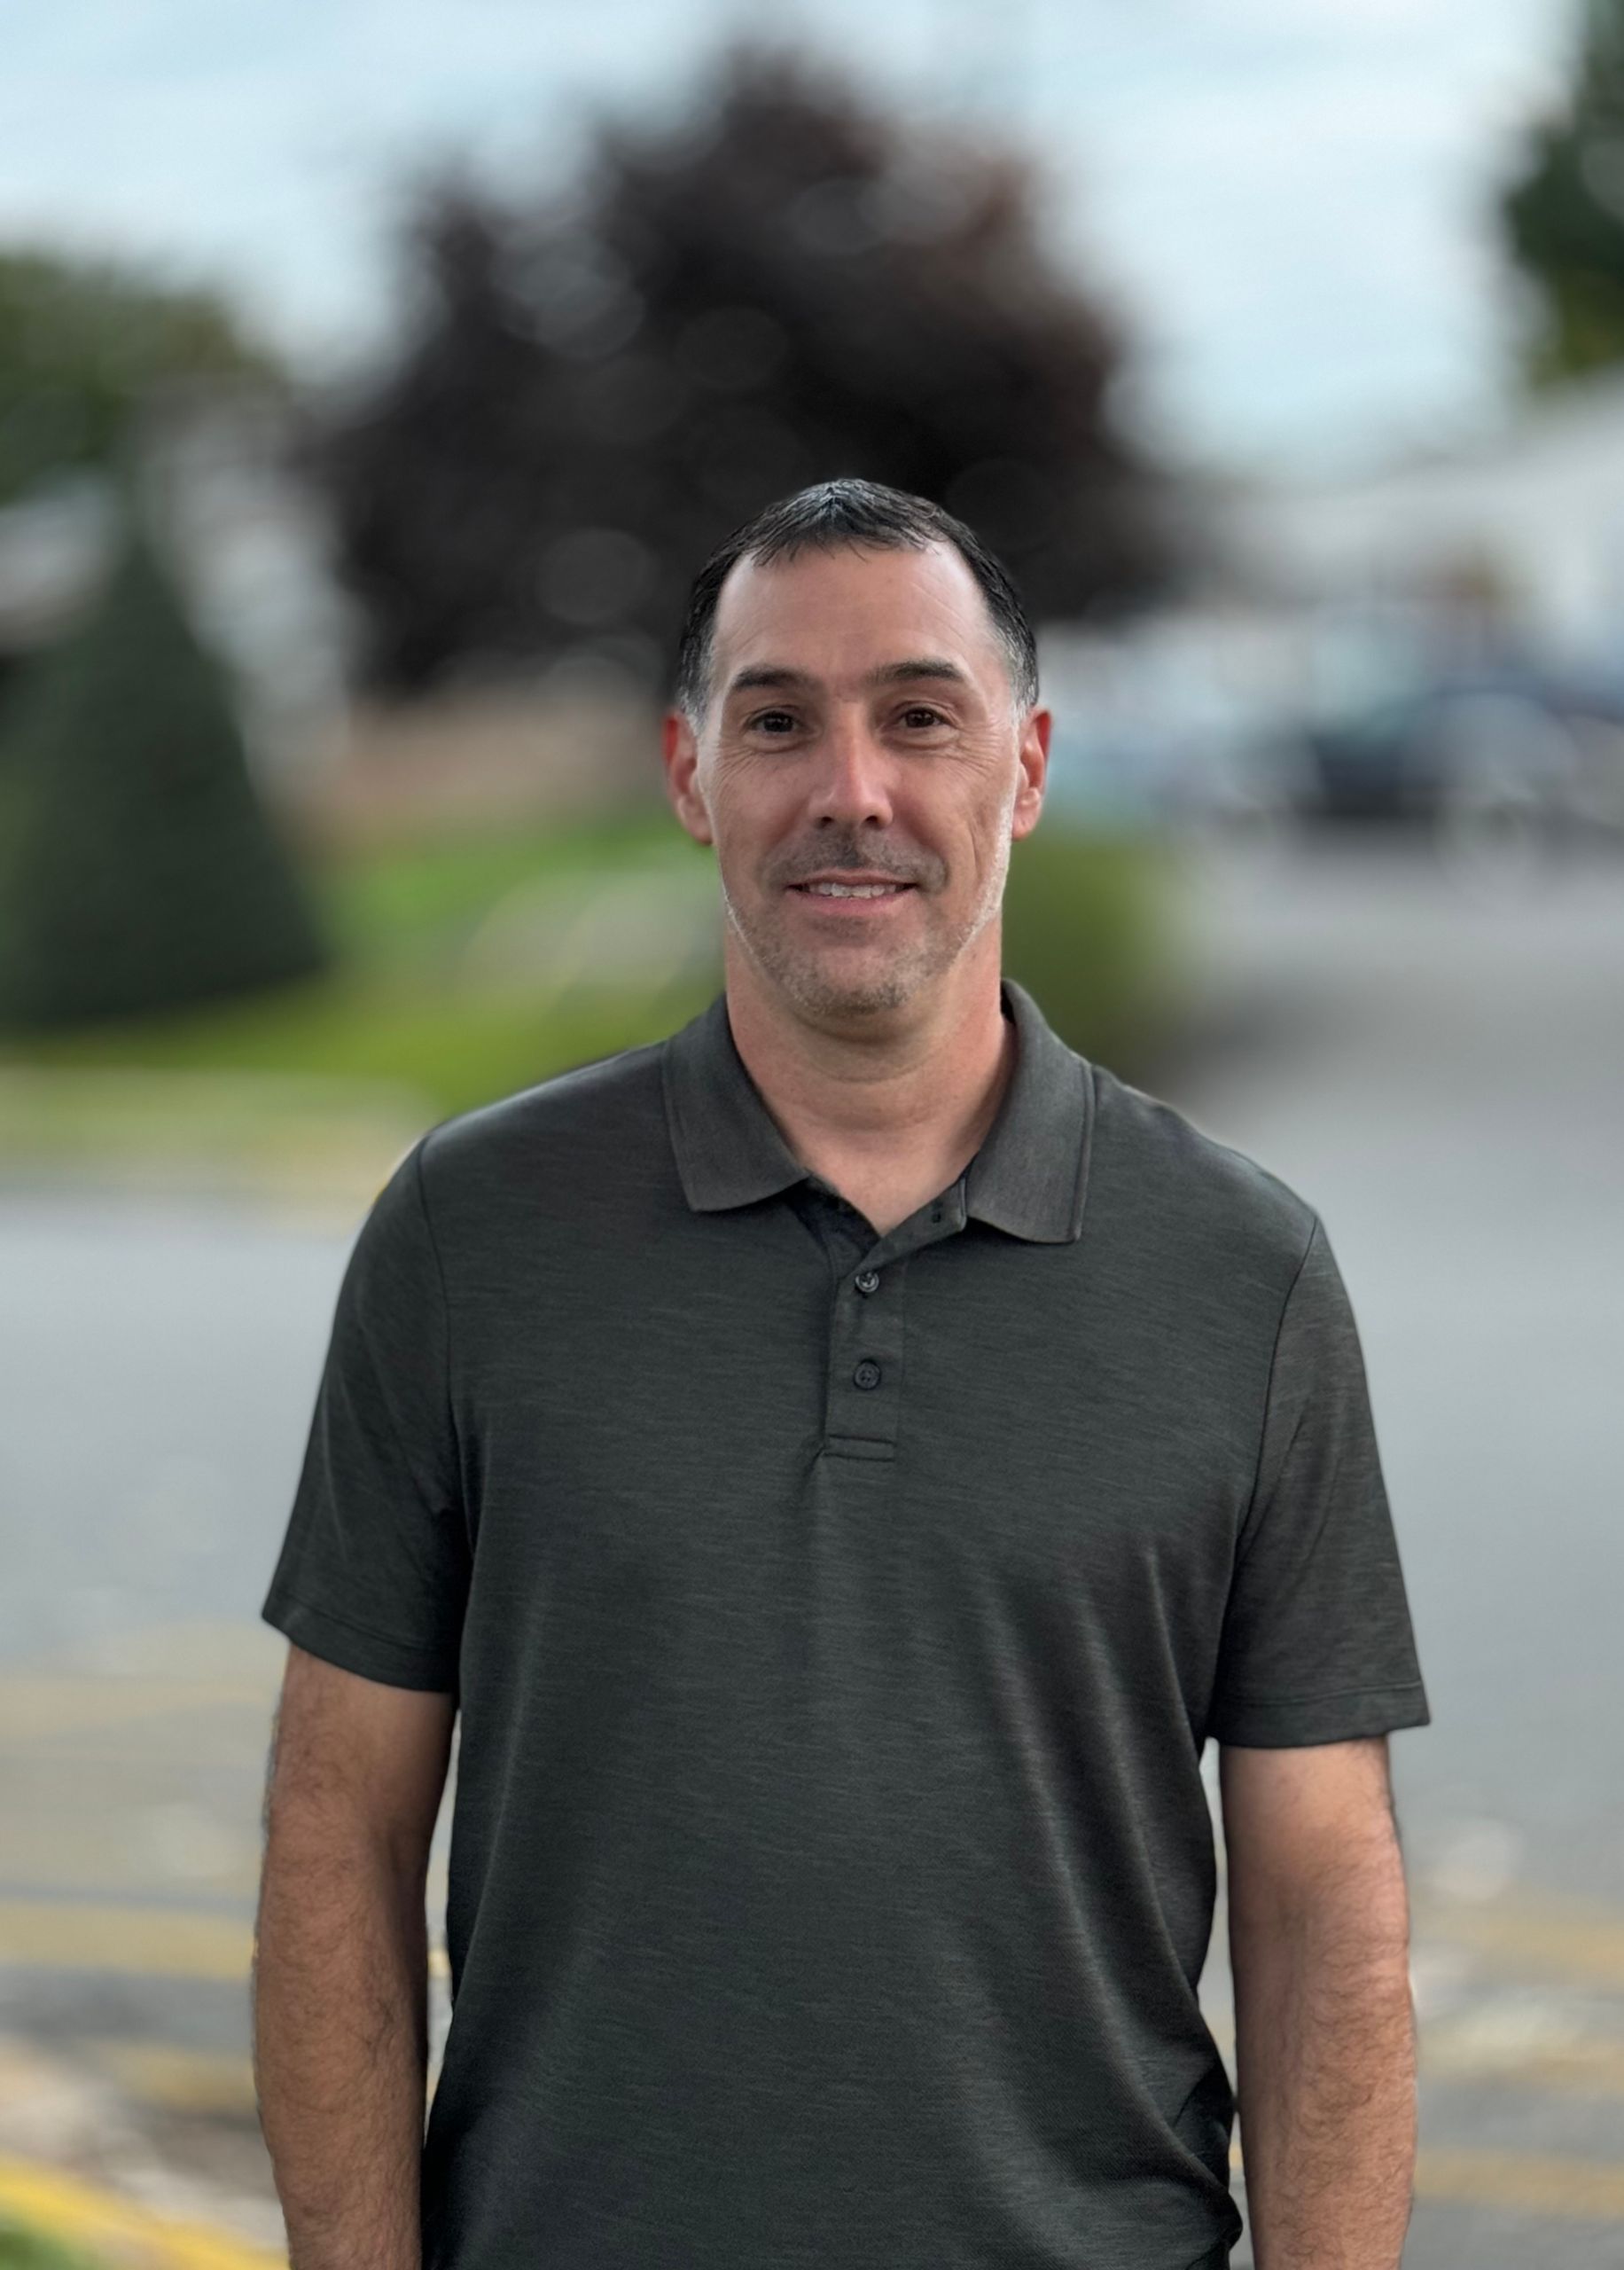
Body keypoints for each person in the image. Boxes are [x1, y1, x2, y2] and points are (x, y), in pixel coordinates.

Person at [252, 479, 1431, 2270]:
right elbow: (338, 1831)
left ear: (1024, 770)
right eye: (778, 718)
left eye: (919, 716)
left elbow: (1322, 1894)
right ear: (688, 772)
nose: (850, 790)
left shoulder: (1244, 1270)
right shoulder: (468, 1234)